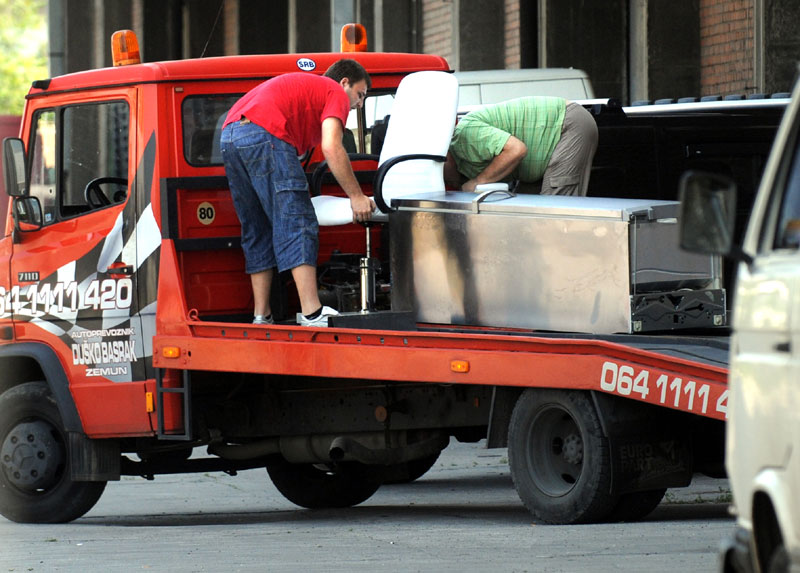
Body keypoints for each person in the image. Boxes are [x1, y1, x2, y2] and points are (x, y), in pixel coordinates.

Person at [220, 59, 375, 327]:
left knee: (257, 227)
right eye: (360, 95)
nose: (359, 104)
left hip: (230, 135)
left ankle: (261, 315)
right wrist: (357, 196)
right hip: (264, 133)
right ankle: (313, 313)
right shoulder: (334, 91)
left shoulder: (307, 90)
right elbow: (332, 148)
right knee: (298, 219)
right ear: (345, 82)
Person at [444, 96, 598, 196]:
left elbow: (516, 150)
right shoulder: (462, 166)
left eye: (444, 178)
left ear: (444, 156)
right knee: (523, 209)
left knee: (554, 209)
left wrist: (479, 181)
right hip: (546, 148)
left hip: (567, 124)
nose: (447, 183)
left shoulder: (465, 135)